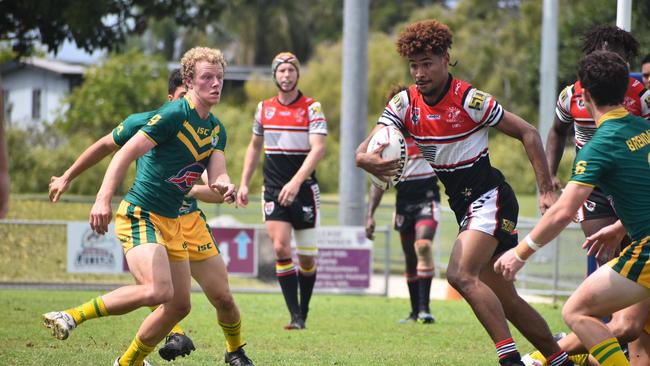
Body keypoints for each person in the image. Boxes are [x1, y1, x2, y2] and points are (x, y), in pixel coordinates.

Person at [355, 19, 573, 366]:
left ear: (445, 58)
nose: (419, 73)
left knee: (459, 273)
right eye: (414, 65)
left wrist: (546, 189)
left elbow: (529, 132)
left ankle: (509, 360)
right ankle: (560, 360)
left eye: (427, 63)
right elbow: (371, 143)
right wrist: (363, 159)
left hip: (491, 197)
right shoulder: (404, 104)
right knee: (507, 299)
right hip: (465, 205)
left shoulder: (469, 99)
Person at [42, 47, 240, 366]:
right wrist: (101, 197)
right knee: (157, 290)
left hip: (172, 221)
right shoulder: (172, 116)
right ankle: (70, 316)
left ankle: (128, 363)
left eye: (220, 77)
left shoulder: (216, 129)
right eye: (207, 77)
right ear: (188, 81)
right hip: (140, 213)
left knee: (178, 306)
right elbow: (120, 152)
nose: (216, 83)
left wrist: (225, 184)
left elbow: (218, 172)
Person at [495, 49, 650, 366]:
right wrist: (620, 226)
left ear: (584, 93)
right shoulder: (643, 129)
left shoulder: (599, 146)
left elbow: (565, 210)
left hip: (647, 249)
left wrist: (520, 252)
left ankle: (553, 357)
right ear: (626, 88)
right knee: (629, 327)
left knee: (575, 311)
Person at [538, 25, 650, 366]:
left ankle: (575, 347)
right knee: (614, 270)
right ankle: (604, 337)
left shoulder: (640, 96)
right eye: (602, 53)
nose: (608, 60)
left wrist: (522, 251)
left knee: (627, 314)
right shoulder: (570, 95)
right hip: (592, 185)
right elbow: (555, 132)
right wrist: (547, 183)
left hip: (630, 183)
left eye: (617, 55)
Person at [237, 52, 327, 330]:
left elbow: (319, 148)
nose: (286, 75)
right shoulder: (264, 108)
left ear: (297, 74)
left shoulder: (312, 108)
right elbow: (254, 147)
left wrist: (297, 181)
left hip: (303, 189)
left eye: (291, 70)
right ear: (274, 76)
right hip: (274, 189)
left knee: (308, 257)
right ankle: (295, 316)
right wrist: (243, 183)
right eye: (281, 71)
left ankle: (304, 309)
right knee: (280, 247)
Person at [365, 85, 440, 324]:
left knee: (423, 245)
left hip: (427, 198)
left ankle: (426, 309)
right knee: (409, 257)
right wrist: (370, 215)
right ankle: (414, 311)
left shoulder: (428, 131)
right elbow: (379, 181)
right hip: (403, 202)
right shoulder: (388, 141)